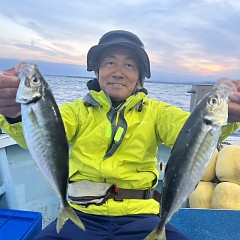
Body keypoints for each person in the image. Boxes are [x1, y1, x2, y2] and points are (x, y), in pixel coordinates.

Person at [0, 30, 240, 240]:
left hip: (141, 218)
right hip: (82, 215)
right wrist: (14, 116)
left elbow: (191, 133)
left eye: (128, 65)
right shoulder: (75, 111)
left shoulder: (158, 112)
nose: (117, 72)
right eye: (109, 63)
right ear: (97, 70)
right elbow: (45, 135)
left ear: (139, 75)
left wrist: (226, 118)